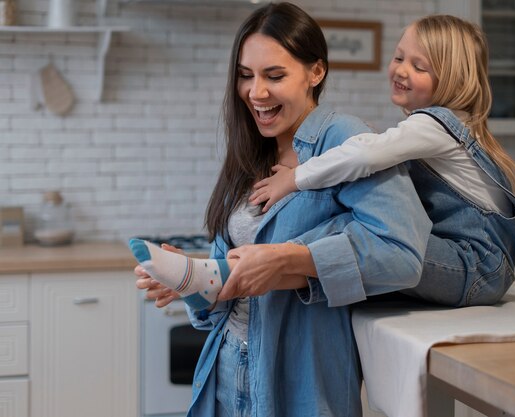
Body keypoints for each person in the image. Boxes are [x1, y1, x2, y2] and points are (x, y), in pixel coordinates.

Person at [133, 3, 431, 417]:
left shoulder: (345, 141)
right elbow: (224, 300)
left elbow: (402, 252)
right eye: (245, 75)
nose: (256, 92)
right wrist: (192, 280)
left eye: (274, 76)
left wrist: (288, 260)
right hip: (224, 380)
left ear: (316, 72)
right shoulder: (252, 151)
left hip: (301, 388)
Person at [249, 14, 515, 307]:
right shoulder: (441, 128)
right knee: (367, 248)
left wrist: (294, 178)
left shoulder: (436, 125)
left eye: (419, 66)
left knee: (355, 227)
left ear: (452, 79)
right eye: (399, 58)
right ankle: (281, 270)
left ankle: (273, 261)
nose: (401, 70)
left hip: (474, 268)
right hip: (474, 269)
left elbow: (365, 154)